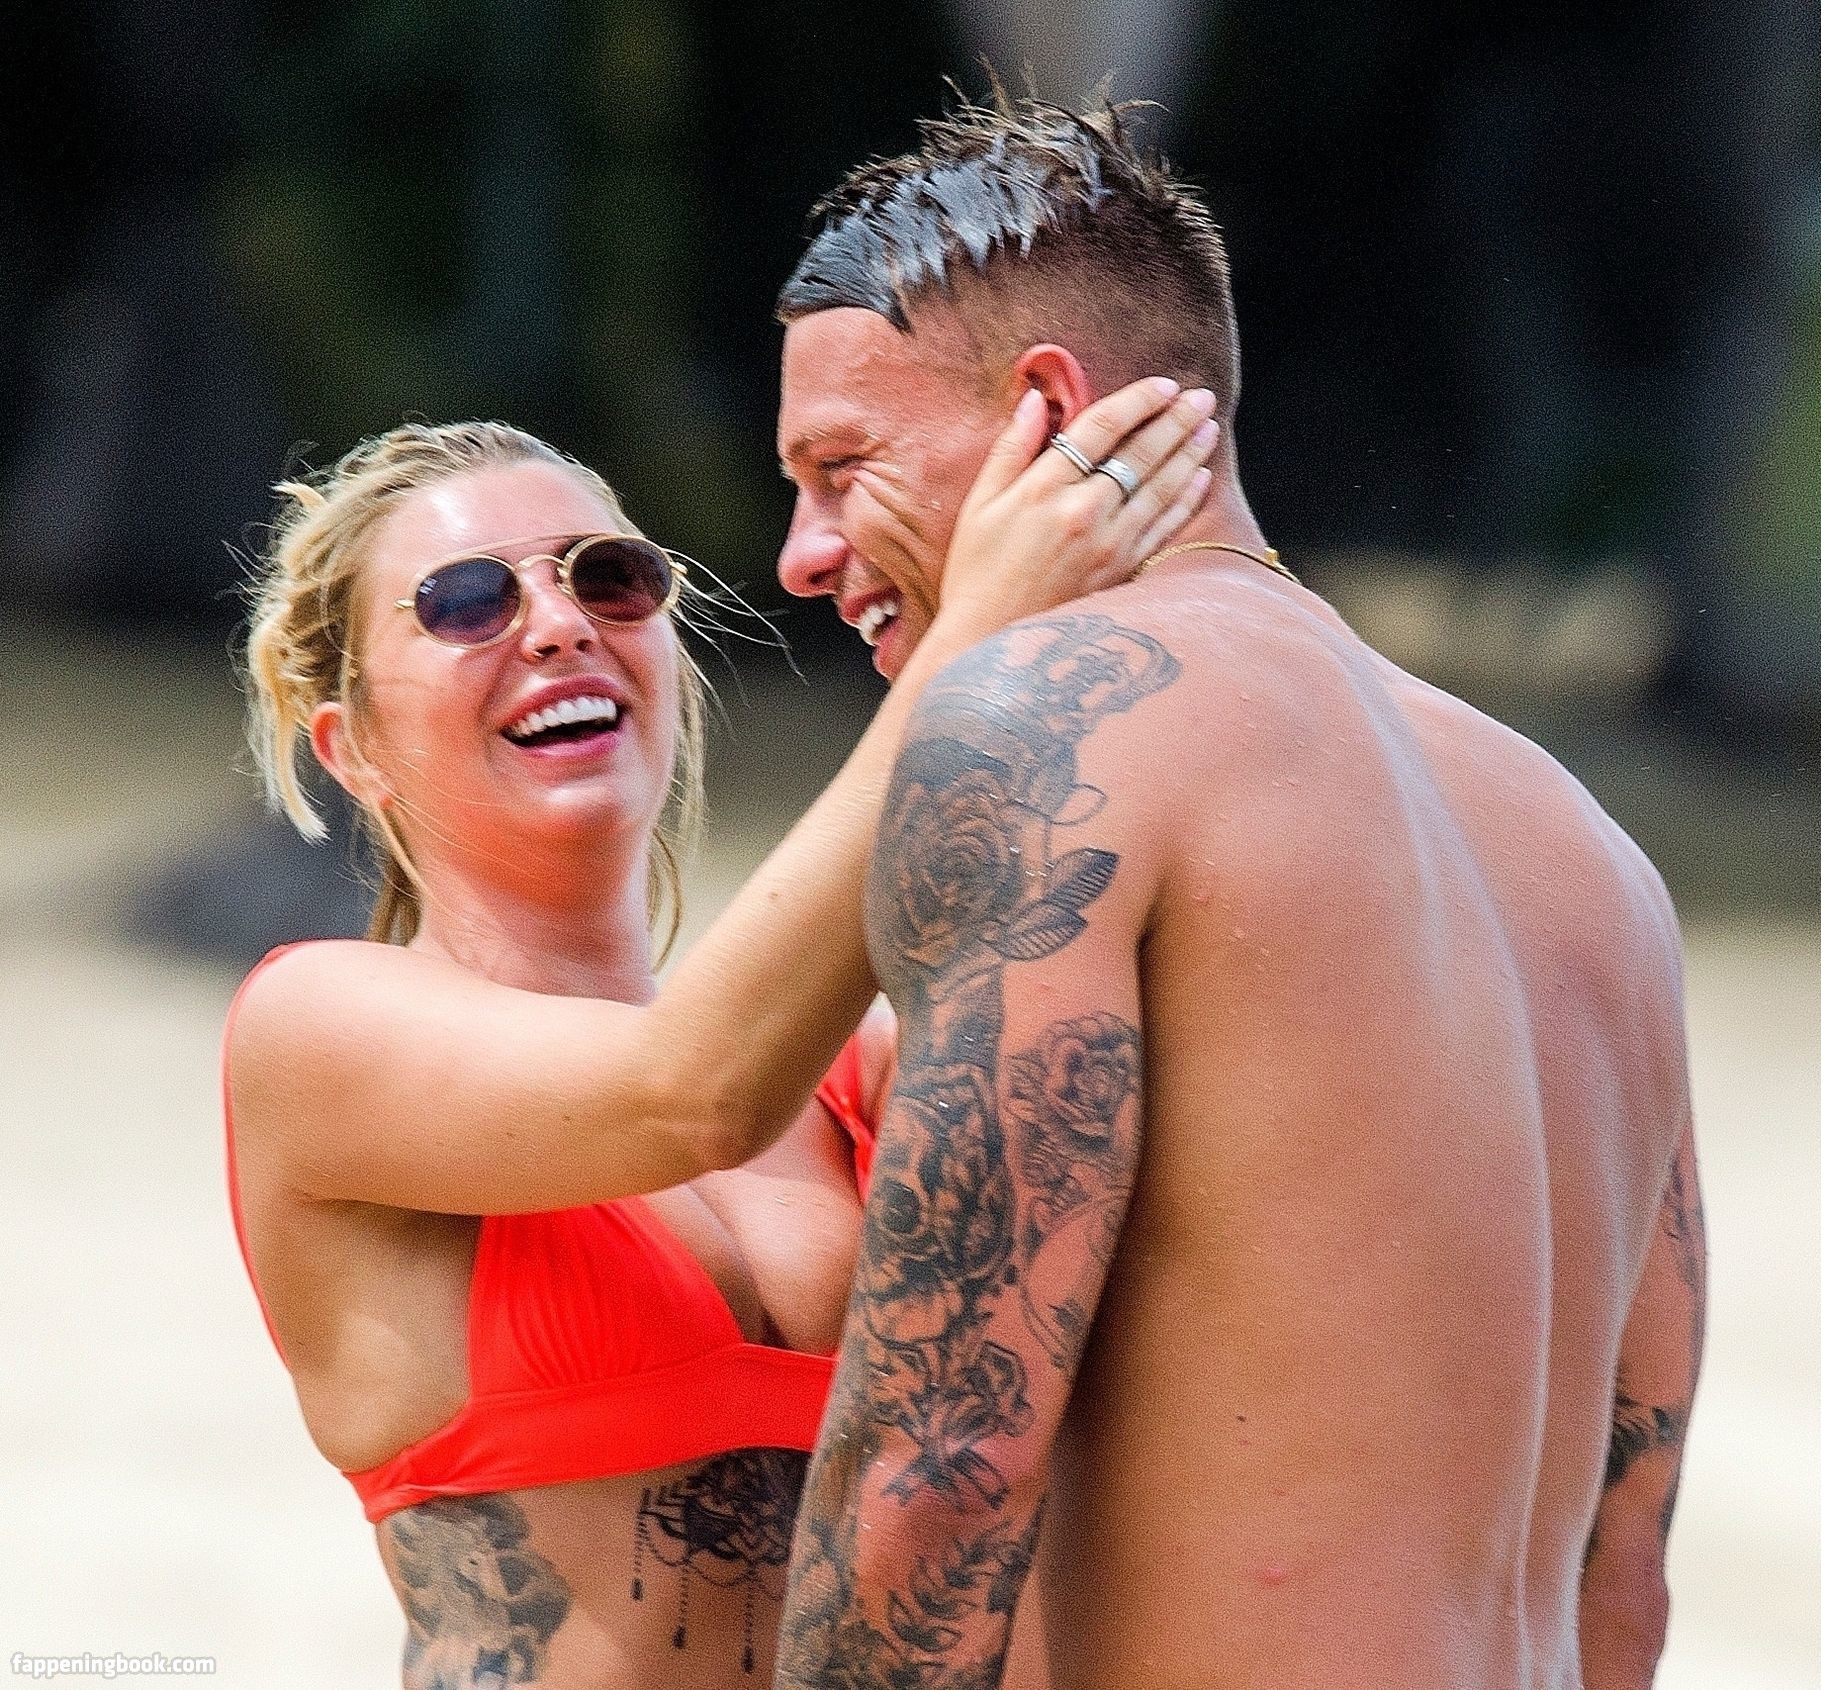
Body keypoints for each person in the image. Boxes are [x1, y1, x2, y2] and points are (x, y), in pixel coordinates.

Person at [769, 96, 1706, 1690]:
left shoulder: (1051, 729)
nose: (804, 550)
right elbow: (1628, 1566)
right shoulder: (1588, 850)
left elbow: (940, 1470)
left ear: (1046, 412)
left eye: (842, 468)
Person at [222, 401, 1217, 1687]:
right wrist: (972, 643)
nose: (560, 623)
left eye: (608, 578)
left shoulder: (859, 1072)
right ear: (352, 748)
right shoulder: (311, 1032)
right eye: (467, 602)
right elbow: (692, 1096)